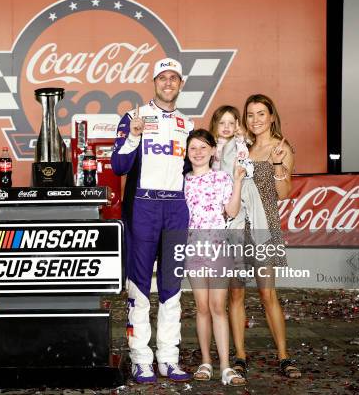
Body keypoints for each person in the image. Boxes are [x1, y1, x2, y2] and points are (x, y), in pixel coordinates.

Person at [111, 58, 194, 383]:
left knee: (173, 290)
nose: (168, 82)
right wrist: (132, 136)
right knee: (140, 288)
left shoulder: (189, 124)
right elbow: (118, 165)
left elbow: (195, 169)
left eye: (174, 77)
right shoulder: (135, 116)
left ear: (180, 83)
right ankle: (141, 359)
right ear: (154, 82)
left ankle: (168, 359)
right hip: (142, 210)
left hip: (175, 210)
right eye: (163, 77)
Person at [228, 94, 301, 379]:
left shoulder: (280, 148)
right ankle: (240, 357)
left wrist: (279, 166)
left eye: (261, 114)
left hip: (264, 227)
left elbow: (283, 195)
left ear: (271, 116)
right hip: (236, 226)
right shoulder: (242, 148)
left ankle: (284, 356)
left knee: (267, 293)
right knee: (235, 293)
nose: (255, 119)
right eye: (250, 114)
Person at [183, 129, 247, 386]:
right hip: (193, 252)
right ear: (186, 153)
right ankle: (206, 362)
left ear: (212, 150)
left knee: (218, 307)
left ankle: (225, 366)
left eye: (202, 147)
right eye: (192, 148)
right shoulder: (181, 181)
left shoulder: (221, 179)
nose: (197, 152)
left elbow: (231, 211)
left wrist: (238, 181)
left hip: (219, 251)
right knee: (201, 308)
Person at [209, 105, 269, 241]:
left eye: (231, 123)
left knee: (236, 230)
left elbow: (243, 158)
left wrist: (240, 139)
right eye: (222, 123)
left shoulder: (238, 144)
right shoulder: (209, 143)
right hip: (215, 195)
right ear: (215, 124)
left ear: (237, 125)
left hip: (235, 193)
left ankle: (238, 260)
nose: (226, 127)